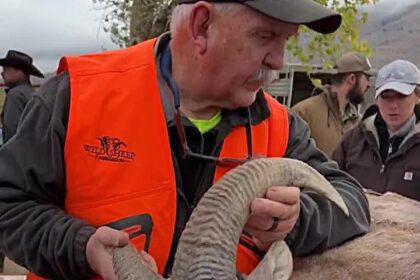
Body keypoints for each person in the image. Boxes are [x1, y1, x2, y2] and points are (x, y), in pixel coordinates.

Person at [0, 1, 370, 279]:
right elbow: (9, 205)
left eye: (286, 40)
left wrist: (296, 220)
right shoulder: (76, 96)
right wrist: (80, 246)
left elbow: (351, 204)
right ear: (201, 25)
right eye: (265, 37)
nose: (278, 60)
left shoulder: (281, 126)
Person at [333, 59, 420, 201]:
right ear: (377, 98)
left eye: (402, 96)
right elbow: (330, 186)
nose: (393, 105)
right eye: (386, 96)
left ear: (417, 96)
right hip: (357, 222)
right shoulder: (352, 142)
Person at [292, 51, 376, 157]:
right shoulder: (304, 112)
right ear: (352, 79)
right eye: (367, 78)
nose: (369, 85)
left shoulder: (358, 123)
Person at [0, 50, 44, 143]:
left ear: (19, 71)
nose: (2, 73)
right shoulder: (33, 93)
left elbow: (12, 134)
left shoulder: (15, 95)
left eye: (6, 69)